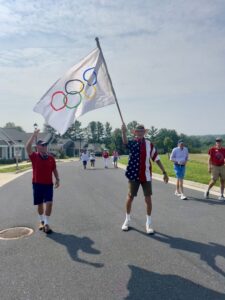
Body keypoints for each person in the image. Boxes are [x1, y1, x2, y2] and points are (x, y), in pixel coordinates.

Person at [121, 124, 169, 234]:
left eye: (142, 131)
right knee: (130, 197)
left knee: (148, 199)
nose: (140, 133)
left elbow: (156, 158)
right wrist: (123, 132)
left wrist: (164, 172)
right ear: (135, 133)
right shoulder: (133, 143)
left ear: (144, 133)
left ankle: (148, 223)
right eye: (138, 131)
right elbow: (125, 142)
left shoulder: (149, 145)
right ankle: (127, 219)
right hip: (134, 174)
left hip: (146, 175)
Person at [26, 129, 60, 234]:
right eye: (43, 145)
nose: (45, 146)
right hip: (37, 184)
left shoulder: (51, 158)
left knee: (49, 204)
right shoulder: (34, 156)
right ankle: (41, 220)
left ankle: (46, 224)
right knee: (40, 204)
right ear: (38, 147)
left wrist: (57, 179)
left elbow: (54, 169)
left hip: (48, 185)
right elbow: (27, 147)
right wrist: (34, 135)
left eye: (46, 145)